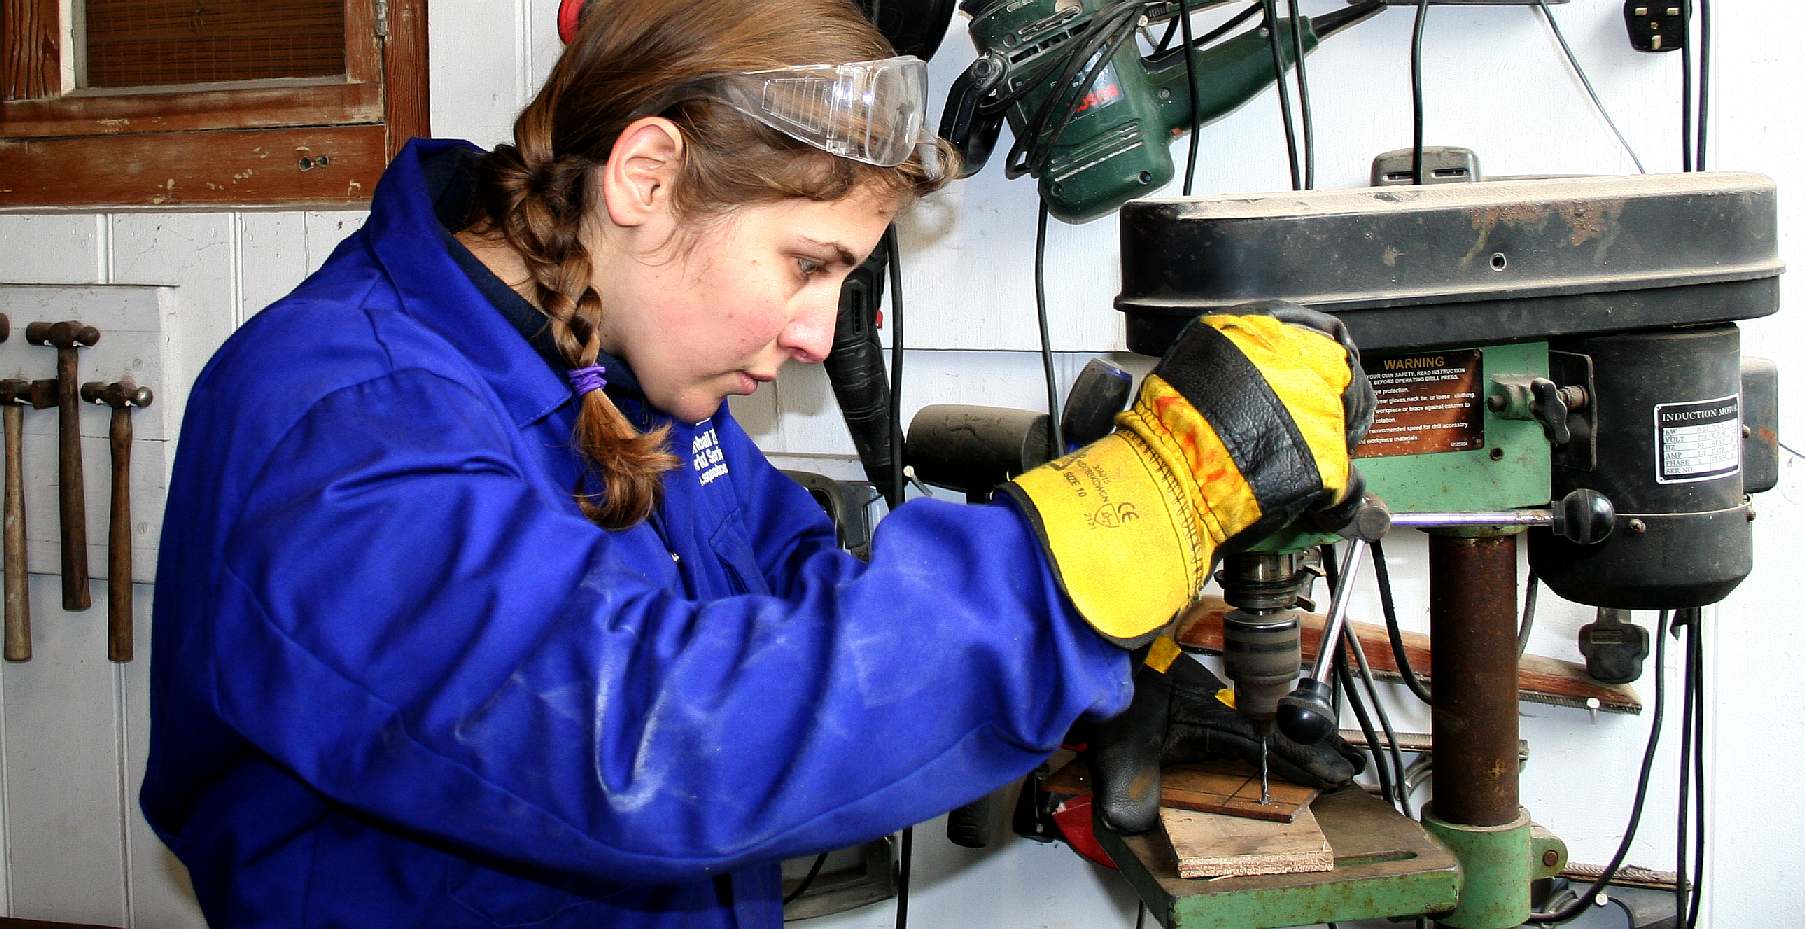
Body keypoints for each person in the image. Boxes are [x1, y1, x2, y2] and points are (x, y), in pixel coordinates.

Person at [139, 0, 1371, 926]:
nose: (816, 336)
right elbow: (642, 743)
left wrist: (1075, 671)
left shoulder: (627, 356)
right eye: (805, 261)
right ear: (645, 175)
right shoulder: (338, 421)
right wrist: (1079, 562)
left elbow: (796, 597)